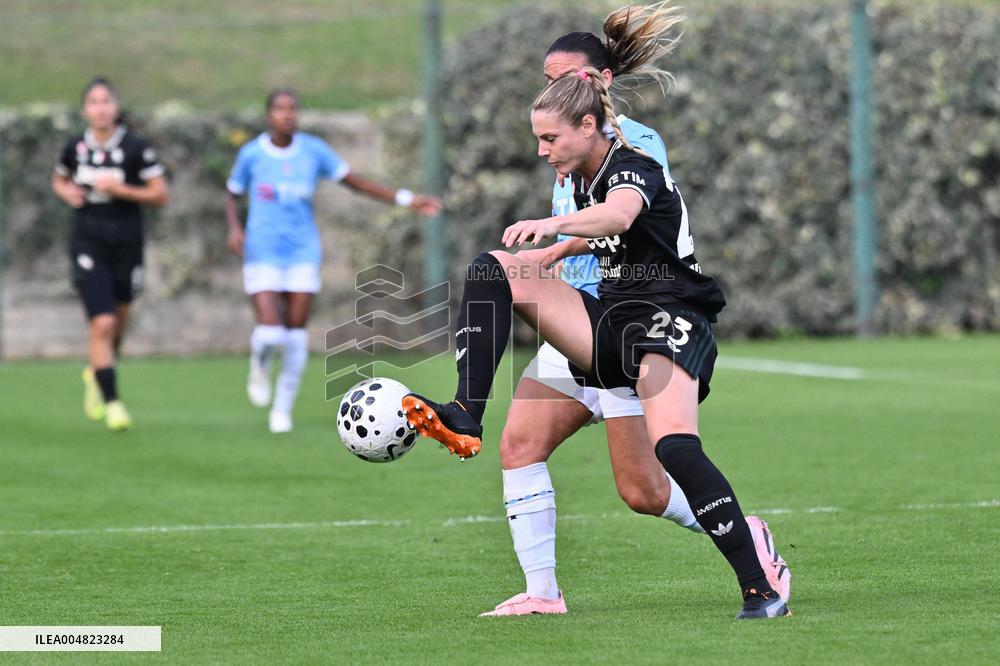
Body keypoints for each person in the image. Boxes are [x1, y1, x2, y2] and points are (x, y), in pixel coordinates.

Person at [403, 63, 792, 618]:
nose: (542, 150)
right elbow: (617, 237)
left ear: (588, 125)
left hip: (668, 319)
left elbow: (621, 215)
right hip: (611, 318)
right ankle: (466, 411)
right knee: (494, 269)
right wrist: (555, 253)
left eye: (549, 137)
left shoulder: (631, 164)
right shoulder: (584, 174)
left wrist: (555, 227)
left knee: (673, 452)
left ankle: (760, 588)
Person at [226, 89, 440, 433]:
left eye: (293, 108)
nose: (287, 115)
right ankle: (260, 363)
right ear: (268, 115)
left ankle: (282, 410)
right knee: (268, 332)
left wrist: (406, 198)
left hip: (302, 252)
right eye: (280, 109)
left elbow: (355, 183)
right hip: (262, 250)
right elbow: (233, 193)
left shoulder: (313, 151)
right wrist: (234, 228)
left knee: (295, 335)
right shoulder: (252, 154)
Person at [52, 76, 169, 431]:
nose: (100, 108)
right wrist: (66, 193)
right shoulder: (76, 146)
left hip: (127, 243)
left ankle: (97, 373)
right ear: (85, 109)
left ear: (115, 107)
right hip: (88, 242)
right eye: (93, 102)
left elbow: (160, 194)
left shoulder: (136, 147)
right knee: (100, 323)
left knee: (116, 324)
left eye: (106, 101)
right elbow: (59, 178)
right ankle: (114, 402)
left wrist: (121, 189)